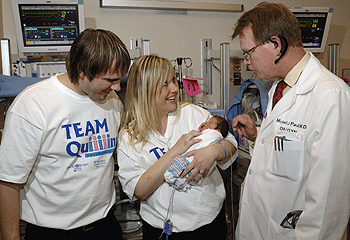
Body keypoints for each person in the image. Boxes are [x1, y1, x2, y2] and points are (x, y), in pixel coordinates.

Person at [231, 2, 350, 240]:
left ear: (276, 45)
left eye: (248, 53)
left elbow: (327, 205)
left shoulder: (330, 96)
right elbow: (292, 150)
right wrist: (258, 137)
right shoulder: (279, 87)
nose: (246, 62)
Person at [0, 28, 131, 240]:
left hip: (104, 226)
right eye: (109, 79)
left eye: (119, 79)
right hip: (52, 232)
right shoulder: (33, 105)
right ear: (81, 70)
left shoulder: (111, 101)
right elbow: (8, 182)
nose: (116, 87)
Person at [117, 55, 238, 240]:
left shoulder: (193, 114)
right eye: (165, 84)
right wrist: (175, 150)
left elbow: (230, 143)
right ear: (145, 90)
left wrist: (213, 151)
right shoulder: (131, 136)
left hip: (209, 224)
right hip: (161, 229)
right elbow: (140, 189)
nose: (174, 88)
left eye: (173, 80)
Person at [164, 116, 230, 191]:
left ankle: (178, 177)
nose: (206, 123)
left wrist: (204, 133)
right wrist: (201, 130)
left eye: (210, 123)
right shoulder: (207, 132)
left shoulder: (214, 135)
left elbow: (203, 140)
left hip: (198, 158)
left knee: (188, 164)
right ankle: (181, 180)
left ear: (217, 130)